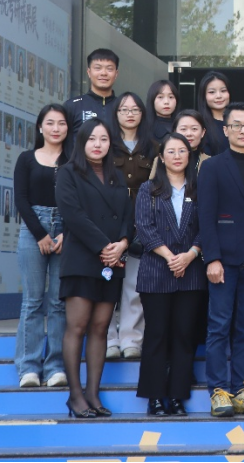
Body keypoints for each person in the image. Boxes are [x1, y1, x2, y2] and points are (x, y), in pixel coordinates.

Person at [198, 102, 244, 418]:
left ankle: (242, 389)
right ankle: (218, 390)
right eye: (236, 125)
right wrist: (212, 258)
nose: (243, 130)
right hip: (224, 260)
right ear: (225, 130)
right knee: (219, 325)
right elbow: (206, 216)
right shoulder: (213, 167)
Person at [55, 120, 133, 418]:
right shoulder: (68, 172)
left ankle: (93, 394)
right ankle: (75, 396)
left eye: (103, 139)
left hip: (112, 261)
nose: (97, 144)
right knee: (77, 327)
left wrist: (123, 243)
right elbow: (72, 215)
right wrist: (104, 246)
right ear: (81, 142)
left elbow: (127, 215)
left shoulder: (116, 175)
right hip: (82, 259)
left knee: (101, 328)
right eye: (92, 139)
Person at [135, 134, 205, 416]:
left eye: (182, 151)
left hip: (191, 271)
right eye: (171, 152)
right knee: (156, 335)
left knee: (184, 336)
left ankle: (177, 396)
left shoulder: (199, 189)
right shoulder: (148, 188)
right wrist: (170, 257)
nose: (177, 156)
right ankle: (154, 397)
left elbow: (207, 227)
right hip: (156, 271)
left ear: (190, 156)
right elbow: (144, 227)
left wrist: (190, 254)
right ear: (162, 157)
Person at [14, 104, 70, 389]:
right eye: (50, 123)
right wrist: (40, 234)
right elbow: (21, 200)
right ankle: (29, 367)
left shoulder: (73, 161)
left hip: (66, 230)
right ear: (40, 127)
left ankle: (56, 366)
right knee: (33, 301)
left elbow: (80, 201)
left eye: (61, 123)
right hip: (33, 228)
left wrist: (66, 234)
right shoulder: (26, 159)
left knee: (59, 302)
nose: (56, 128)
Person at [105, 92, 156, 360]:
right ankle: (108, 339)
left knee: (134, 285)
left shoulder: (153, 147)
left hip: (140, 222)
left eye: (135, 109)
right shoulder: (105, 143)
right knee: (107, 282)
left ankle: (131, 339)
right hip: (109, 220)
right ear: (116, 114)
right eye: (124, 109)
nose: (129, 114)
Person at [63, 49, 119, 151]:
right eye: (98, 68)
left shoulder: (123, 107)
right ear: (89, 72)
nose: (103, 73)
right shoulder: (72, 106)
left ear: (116, 73)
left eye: (109, 69)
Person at [149, 109, 210, 178]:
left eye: (194, 129)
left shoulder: (210, 161)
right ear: (175, 131)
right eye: (183, 129)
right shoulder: (163, 159)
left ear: (203, 132)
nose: (189, 134)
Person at [197, 72, 232, 156]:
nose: (219, 96)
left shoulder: (239, 121)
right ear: (203, 95)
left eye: (223, 91)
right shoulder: (199, 125)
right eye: (212, 92)